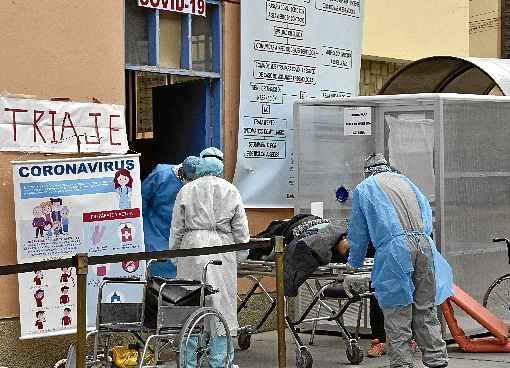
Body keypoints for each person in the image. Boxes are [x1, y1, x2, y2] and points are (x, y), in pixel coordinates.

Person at [347, 153, 453, 368]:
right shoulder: (407, 181)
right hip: (425, 246)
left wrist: (354, 263)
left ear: (366, 171)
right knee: (426, 308)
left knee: (397, 311)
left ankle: (402, 364)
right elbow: (426, 214)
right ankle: (437, 360)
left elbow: (358, 232)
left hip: (395, 250)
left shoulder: (364, 188)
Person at [170, 154, 249, 368]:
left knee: (190, 303)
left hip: (192, 247)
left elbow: (177, 227)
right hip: (222, 248)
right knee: (221, 305)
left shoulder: (186, 190)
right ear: (220, 168)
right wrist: (240, 257)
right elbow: (241, 229)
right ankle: (220, 362)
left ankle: (188, 362)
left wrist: (175, 254)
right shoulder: (231, 190)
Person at [336, 235, 417, 358]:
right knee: (377, 294)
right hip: (378, 251)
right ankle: (380, 340)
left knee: (403, 293)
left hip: (397, 247)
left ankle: (407, 339)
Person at [141, 155, 201, 278]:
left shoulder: (198, 185)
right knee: (157, 259)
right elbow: (142, 198)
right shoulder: (162, 173)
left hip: (177, 227)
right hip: (154, 226)